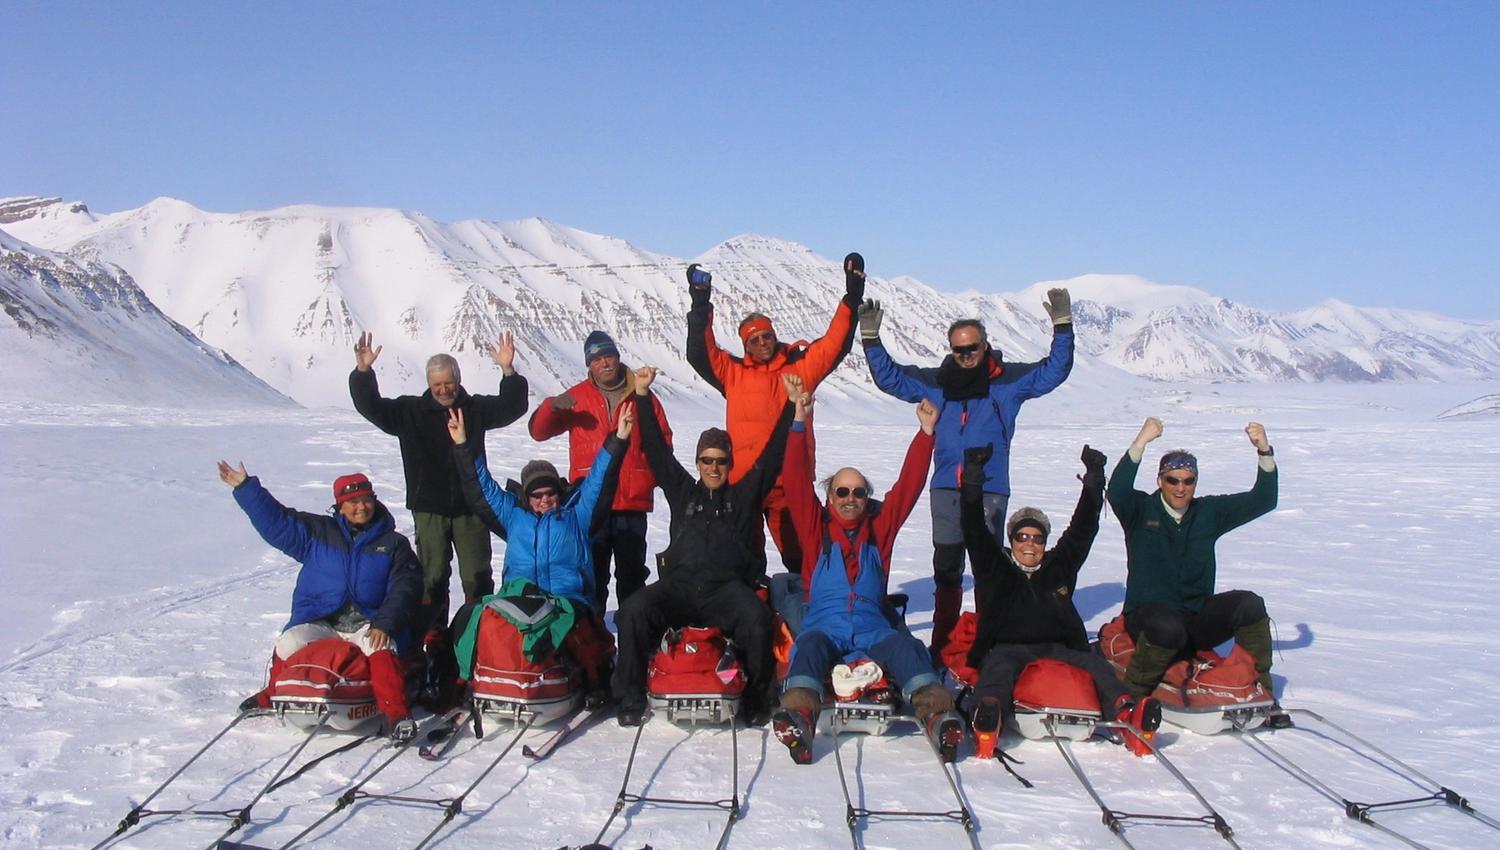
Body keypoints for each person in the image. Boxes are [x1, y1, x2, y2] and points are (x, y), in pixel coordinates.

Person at [859, 291, 1075, 659]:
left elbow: (1053, 371)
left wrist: (1063, 327)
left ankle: (986, 641)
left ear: (985, 345)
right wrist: (871, 339)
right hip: (946, 489)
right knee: (946, 568)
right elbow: (891, 380)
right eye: (959, 350)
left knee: (988, 569)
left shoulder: (1007, 383)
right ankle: (943, 642)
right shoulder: (937, 383)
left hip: (989, 489)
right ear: (951, 350)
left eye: (972, 348)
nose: (966, 356)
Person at [772, 385, 964, 763]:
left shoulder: (879, 531)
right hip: (825, 625)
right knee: (808, 649)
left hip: (873, 624)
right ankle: (799, 717)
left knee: (906, 649)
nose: (850, 498)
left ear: (866, 498)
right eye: (842, 491)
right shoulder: (815, 532)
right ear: (830, 497)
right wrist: (798, 419)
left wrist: (926, 434)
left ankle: (940, 717)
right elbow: (794, 481)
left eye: (859, 493)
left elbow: (907, 489)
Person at [611, 367, 796, 728]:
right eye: (707, 460)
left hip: (725, 591)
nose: (714, 467)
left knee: (758, 621)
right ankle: (630, 694)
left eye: (721, 460)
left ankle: (758, 698)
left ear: (730, 463)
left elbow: (773, 455)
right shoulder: (684, 493)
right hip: (679, 587)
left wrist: (789, 406)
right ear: (697, 463)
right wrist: (644, 396)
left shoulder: (743, 497)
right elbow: (655, 449)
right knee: (632, 610)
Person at [961, 446, 1161, 758]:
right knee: (997, 673)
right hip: (1005, 646)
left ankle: (1127, 713)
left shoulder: (1059, 567)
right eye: (1022, 537)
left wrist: (1094, 480)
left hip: (1058, 646)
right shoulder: (994, 566)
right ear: (1011, 540)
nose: (1030, 544)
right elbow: (973, 528)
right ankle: (989, 719)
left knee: (1096, 667)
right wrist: (973, 478)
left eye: (1037, 538)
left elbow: (1083, 529)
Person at [684, 253, 865, 573]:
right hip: (745, 484)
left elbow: (835, 344)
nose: (762, 342)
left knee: (803, 560)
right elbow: (700, 353)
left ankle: (808, 615)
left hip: (789, 483)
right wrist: (700, 305)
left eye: (766, 335)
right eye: (754, 339)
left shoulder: (801, 367)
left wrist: (852, 295)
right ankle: (755, 617)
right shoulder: (733, 373)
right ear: (745, 345)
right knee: (745, 561)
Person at [1106, 417, 1289, 728]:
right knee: (1169, 626)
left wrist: (1264, 451)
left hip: (1194, 618)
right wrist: (1141, 441)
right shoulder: (1140, 510)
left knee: (1250, 604)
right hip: (1147, 618)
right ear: (1160, 481)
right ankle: (1133, 697)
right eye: (1173, 480)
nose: (1180, 488)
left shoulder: (1207, 513)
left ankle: (1262, 695)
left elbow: (1264, 499)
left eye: (1188, 481)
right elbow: (1118, 490)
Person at [218, 463, 422, 742]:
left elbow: (405, 588)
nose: (360, 507)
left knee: (381, 648)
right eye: (352, 502)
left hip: (369, 622)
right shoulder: (318, 533)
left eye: (365, 500)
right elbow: (278, 522)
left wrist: (385, 623)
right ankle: (271, 695)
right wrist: (246, 488)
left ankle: (397, 715)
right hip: (322, 619)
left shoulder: (394, 544)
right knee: (289, 642)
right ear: (339, 506)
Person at [448, 404, 632, 704]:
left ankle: (594, 680)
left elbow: (601, 478)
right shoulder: (513, 516)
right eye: (537, 495)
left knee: (573, 624)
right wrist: (463, 446)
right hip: (519, 597)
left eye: (551, 493)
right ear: (526, 496)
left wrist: (618, 439)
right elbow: (480, 487)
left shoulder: (576, 515)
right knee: (474, 617)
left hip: (565, 598)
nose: (545, 500)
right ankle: (464, 680)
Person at [349, 331, 529, 635]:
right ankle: (433, 640)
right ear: (429, 385)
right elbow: (372, 407)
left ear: (457, 380)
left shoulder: (474, 409)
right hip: (429, 508)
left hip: (471, 506)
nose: (444, 390)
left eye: (448, 383)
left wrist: (508, 371)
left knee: (476, 576)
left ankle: (478, 635)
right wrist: (363, 373)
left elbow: (513, 406)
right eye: (437, 385)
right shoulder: (409, 412)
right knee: (431, 577)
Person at [527, 330, 671, 610]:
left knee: (632, 575)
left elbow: (663, 442)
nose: (604, 363)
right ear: (589, 365)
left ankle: (631, 637)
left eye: (608, 356)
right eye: (596, 359)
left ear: (617, 358)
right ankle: (594, 640)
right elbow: (538, 432)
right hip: (589, 503)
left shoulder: (643, 395)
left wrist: (645, 477)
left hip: (631, 501)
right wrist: (551, 407)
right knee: (592, 574)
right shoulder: (577, 397)